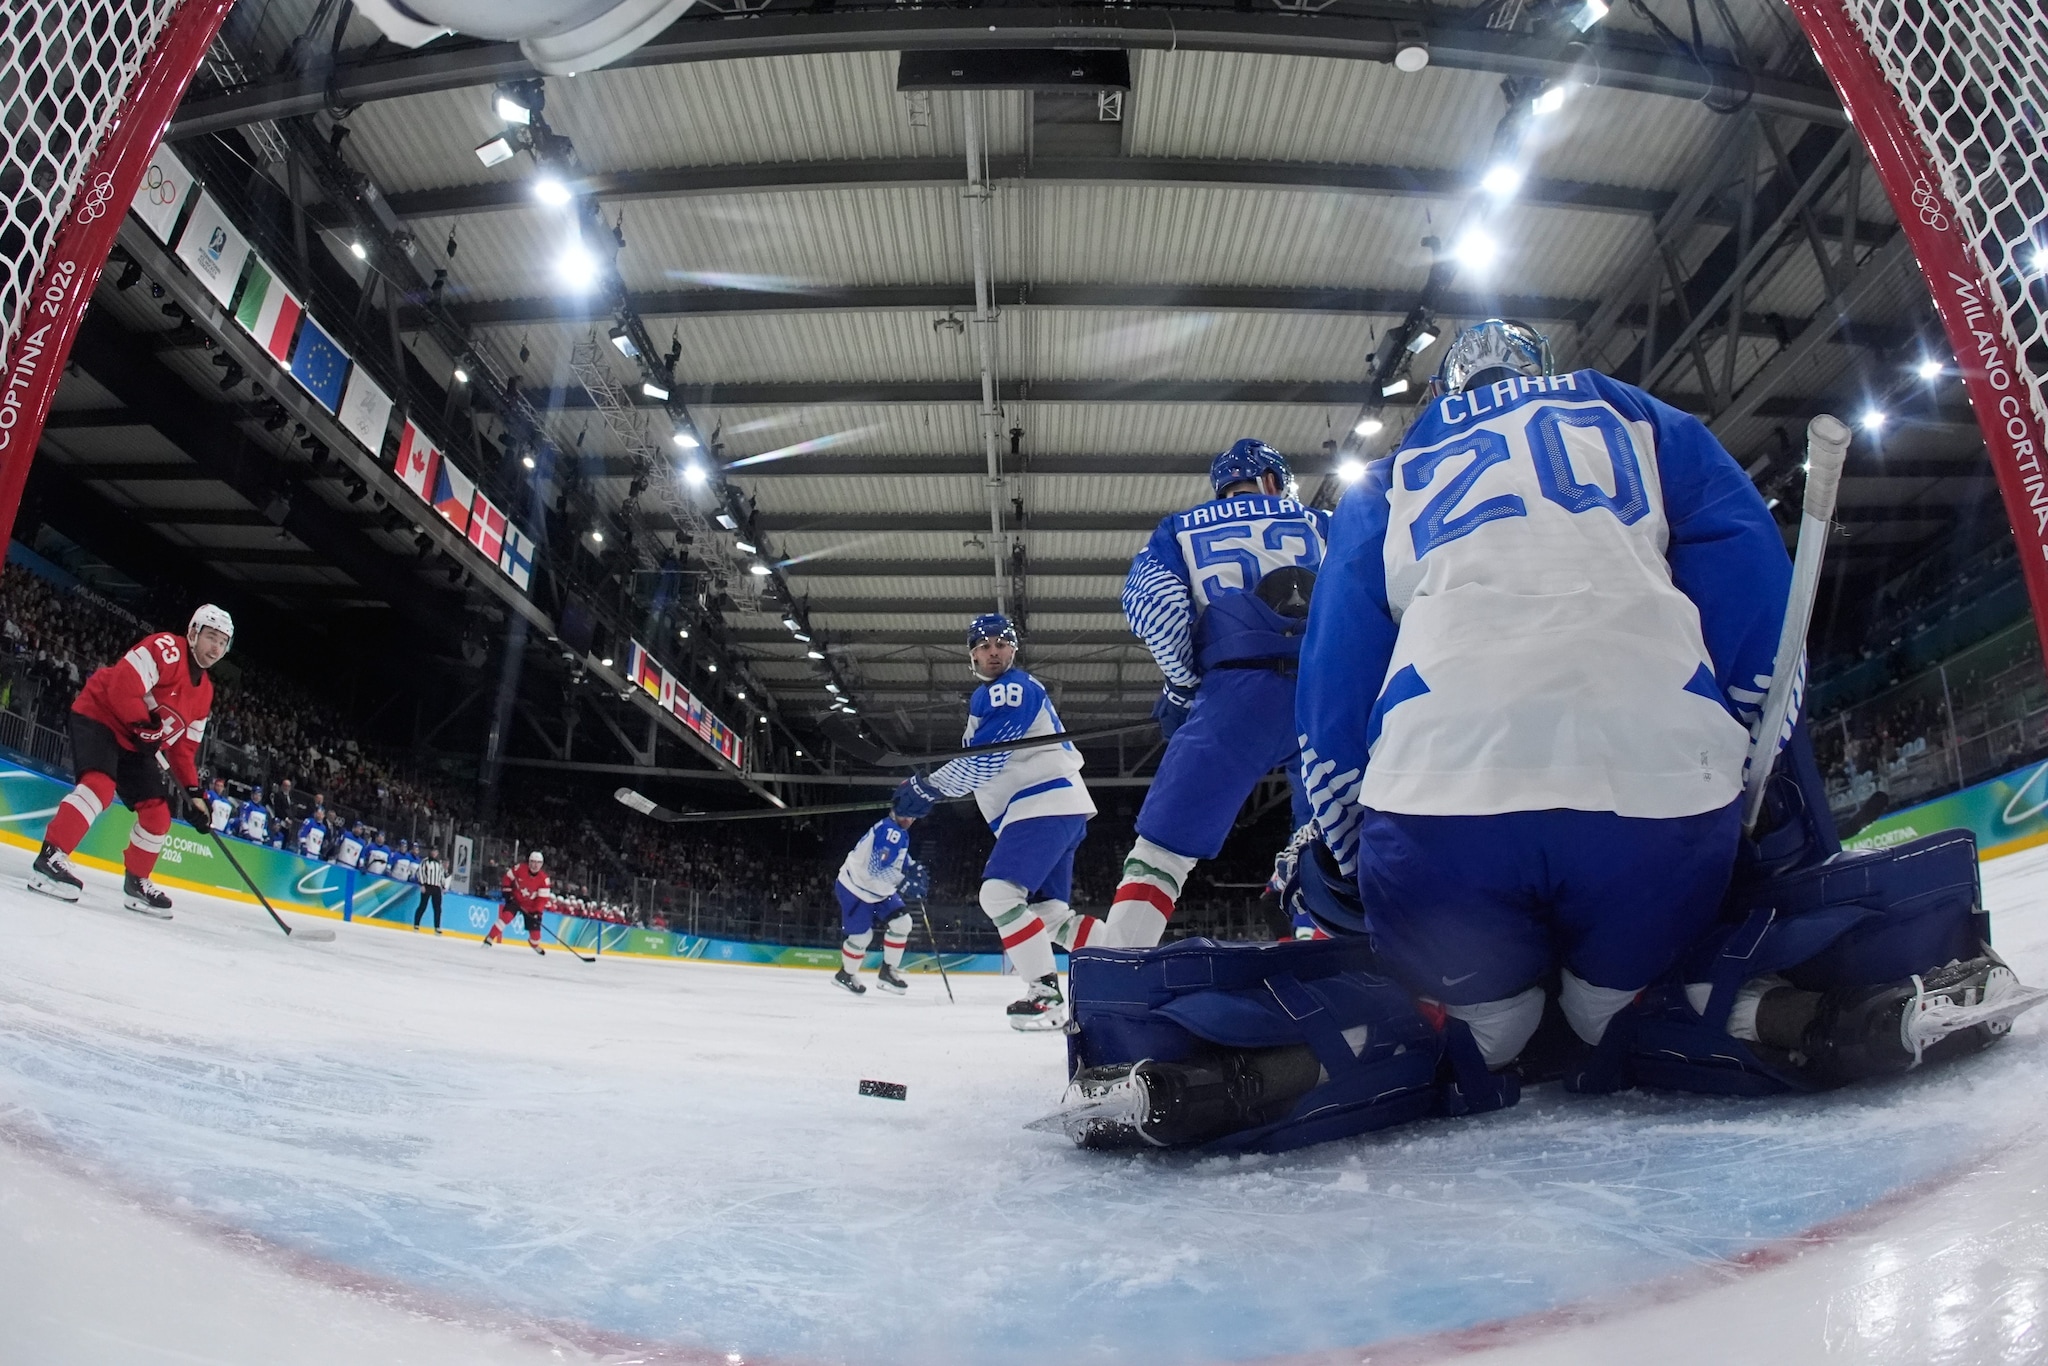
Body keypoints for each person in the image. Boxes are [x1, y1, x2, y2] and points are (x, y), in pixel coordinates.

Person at [1294, 319, 1794, 1070]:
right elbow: (1746, 561)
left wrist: (1350, 833)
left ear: (1447, 387)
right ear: (1541, 368)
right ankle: (1635, 1003)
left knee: (1492, 1031)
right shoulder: (1637, 414)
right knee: (1604, 1013)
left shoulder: (1387, 477)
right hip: (1657, 788)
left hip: (1443, 805)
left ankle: (1489, 1018)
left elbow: (1337, 660)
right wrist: (1749, 732)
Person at [1104, 439, 1331, 948]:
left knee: (1164, 848)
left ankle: (1119, 962)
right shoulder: (1322, 521)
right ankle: (1336, 956)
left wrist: (1183, 687)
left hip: (1236, 691)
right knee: (1339, 837)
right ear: (1272, 481)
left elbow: (1154, 606)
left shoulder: (1181, 527)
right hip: (1326, 693)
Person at [891, 613, 1098, 1029]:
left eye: (1001, 644)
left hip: (1040, 803)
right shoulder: (992, 696)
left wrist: (928, 788)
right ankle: (1132, 961)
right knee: (1052, 917)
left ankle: (1044, 994)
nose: (993, 652)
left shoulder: (1010, 688)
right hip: (1054, 806)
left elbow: (987, 758)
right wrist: (927, 790)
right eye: (984, 646)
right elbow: (984, 764)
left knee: (999, 895)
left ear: (1013, 649)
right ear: (972, 655)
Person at [27, 605, 232, 916]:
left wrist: (194, 795)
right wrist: (142, 723)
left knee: (158, 814)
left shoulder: (204, 694)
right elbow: (123, 683)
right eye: (211, 637)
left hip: (138, 743)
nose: (216, 648)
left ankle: (137, 883)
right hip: (102, 716)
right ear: (193, 633)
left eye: (222, 642)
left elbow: (183, 750)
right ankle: (50, 858)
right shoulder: (166, 648)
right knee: (99, 787)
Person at [831, 813, 922, 996]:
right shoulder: (890, 831)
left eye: (913, 816)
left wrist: (912, 868)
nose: (910, 819)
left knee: (902, 923)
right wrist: (904, 882)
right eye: (906, 814)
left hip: (878, 890)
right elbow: (876, 868)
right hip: (856, 889)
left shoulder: (898, 831)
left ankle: (887, 972)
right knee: (861, 938)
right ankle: (845, 974)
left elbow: (897, 857)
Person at [486, 848, 551, 953]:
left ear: (541, 864)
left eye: (538, 863)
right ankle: (489, 938)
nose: (535, 865)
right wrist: (507, 892)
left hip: (531, 907)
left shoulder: (544, 879)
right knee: (505, 917)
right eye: (533, 862)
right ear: (529, 862)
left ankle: (534, 944)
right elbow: (507, 877)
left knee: (536, 937)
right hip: (515, 900)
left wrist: (537, 912)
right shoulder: (520, 868)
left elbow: (542, 899)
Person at [413, 844, 447, 933]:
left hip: (436, 887)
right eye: (433, 851)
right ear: (430, 852)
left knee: (437, 908)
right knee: (423, 906)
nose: (434, 853)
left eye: (436, 851)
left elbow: (441, 876)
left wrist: (443, 886)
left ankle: (437, 927)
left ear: (437, 853)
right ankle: (416, 924)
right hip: (427, 885)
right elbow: (420, 872)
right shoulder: (425, 861)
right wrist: (422, 884)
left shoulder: (439, 863)